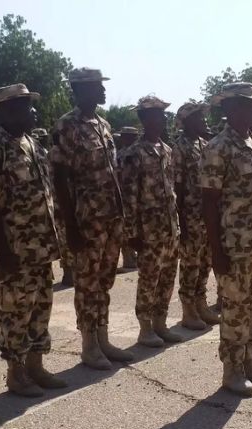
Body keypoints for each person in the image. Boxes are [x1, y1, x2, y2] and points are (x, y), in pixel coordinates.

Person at [0, 83, 67, 397]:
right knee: (16, 311)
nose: (33, 112)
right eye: (27, 106)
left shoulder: (33, 144)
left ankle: (36, 366)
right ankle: (16, 374)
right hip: (14, 248)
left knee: (41, 304)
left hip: (40, 246)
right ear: (7, 111)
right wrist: (3, 251)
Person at [200, 82, 252, 397]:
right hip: (235, 246)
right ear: (230, 108)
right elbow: (209, 201)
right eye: (249, 105)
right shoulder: (218, 147)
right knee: (235, 308)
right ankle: (231, 370)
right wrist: (215, 250)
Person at [53, 67, 133, 369]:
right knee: (87, 283)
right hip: (86, 220)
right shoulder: (67, 126)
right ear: (80, 90)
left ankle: (103, 337)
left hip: (110, 217)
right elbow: (59, 177)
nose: (103, 91)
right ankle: (89, 345)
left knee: (104, 281)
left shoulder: (103, 123)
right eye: (97, 86)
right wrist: (70, 227)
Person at [117, 95, 185, 347]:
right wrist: (132, 233)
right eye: (157, 114)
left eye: (163, 114)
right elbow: (129, 195)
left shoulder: (167, 150)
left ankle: (160, 323)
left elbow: (172, 189)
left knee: (168, 276)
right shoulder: (134, 153)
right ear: (145, 119)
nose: (162, 118)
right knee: (149, 279)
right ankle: (145, 328)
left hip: (169, 226)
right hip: (148, 229)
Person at [171, 102, 220, 330]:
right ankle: (188, 309)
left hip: (206, 215)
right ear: (188, 121)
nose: (204, 121)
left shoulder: (204, 144)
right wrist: (181, 222)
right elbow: (177, 188)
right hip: (190, 215)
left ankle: (201, 303)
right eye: (199, 118)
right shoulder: (179, 148)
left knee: (205, 261)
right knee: (190, 263)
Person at [117, 126, 140, 272]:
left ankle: (130, 256)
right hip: (127, 195)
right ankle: (129, 257)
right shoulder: (126, 154)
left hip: (130, 195)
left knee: (130, 227)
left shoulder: (123, 153)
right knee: (128, 227)